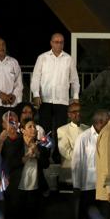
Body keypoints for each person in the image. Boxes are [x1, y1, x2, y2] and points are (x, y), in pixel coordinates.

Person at [1, 117, 50, 219]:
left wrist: (38, 154)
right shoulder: (14, 144)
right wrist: (26, 156)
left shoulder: (41, 145)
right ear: (22, 130)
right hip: (17, 191)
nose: (33, 129)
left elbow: (46, 164)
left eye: (34, 126)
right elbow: (9, 165)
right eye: (29, 126)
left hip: (34, 190)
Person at [31, 33, 80, 162]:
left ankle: (58, 155)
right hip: (45, 99)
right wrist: (36, 94)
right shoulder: (42, 58)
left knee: (60, 131)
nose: (59, 44)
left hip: (62, 100)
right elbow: (36, 78)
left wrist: (75, 96)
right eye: (56, 42)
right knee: (44, 130)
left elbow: (74, 80)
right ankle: (45, 156)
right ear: (51, 43)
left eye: (61, 42)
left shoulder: (68, 59)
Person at [71, 109, 109, 219]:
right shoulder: (84, 137)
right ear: (99, 123)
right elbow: (77, 163)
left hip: (106, 188)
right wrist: (77, 186)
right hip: (89, 187)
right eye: (107, 122)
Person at [57, 102, 88, 186]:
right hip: (70, 171)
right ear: (69, 115)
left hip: (87, 172)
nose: (78, 113)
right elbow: (65, 151)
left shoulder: (87, 128)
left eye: (79, 111)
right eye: (74, 112)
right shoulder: (62, 130)